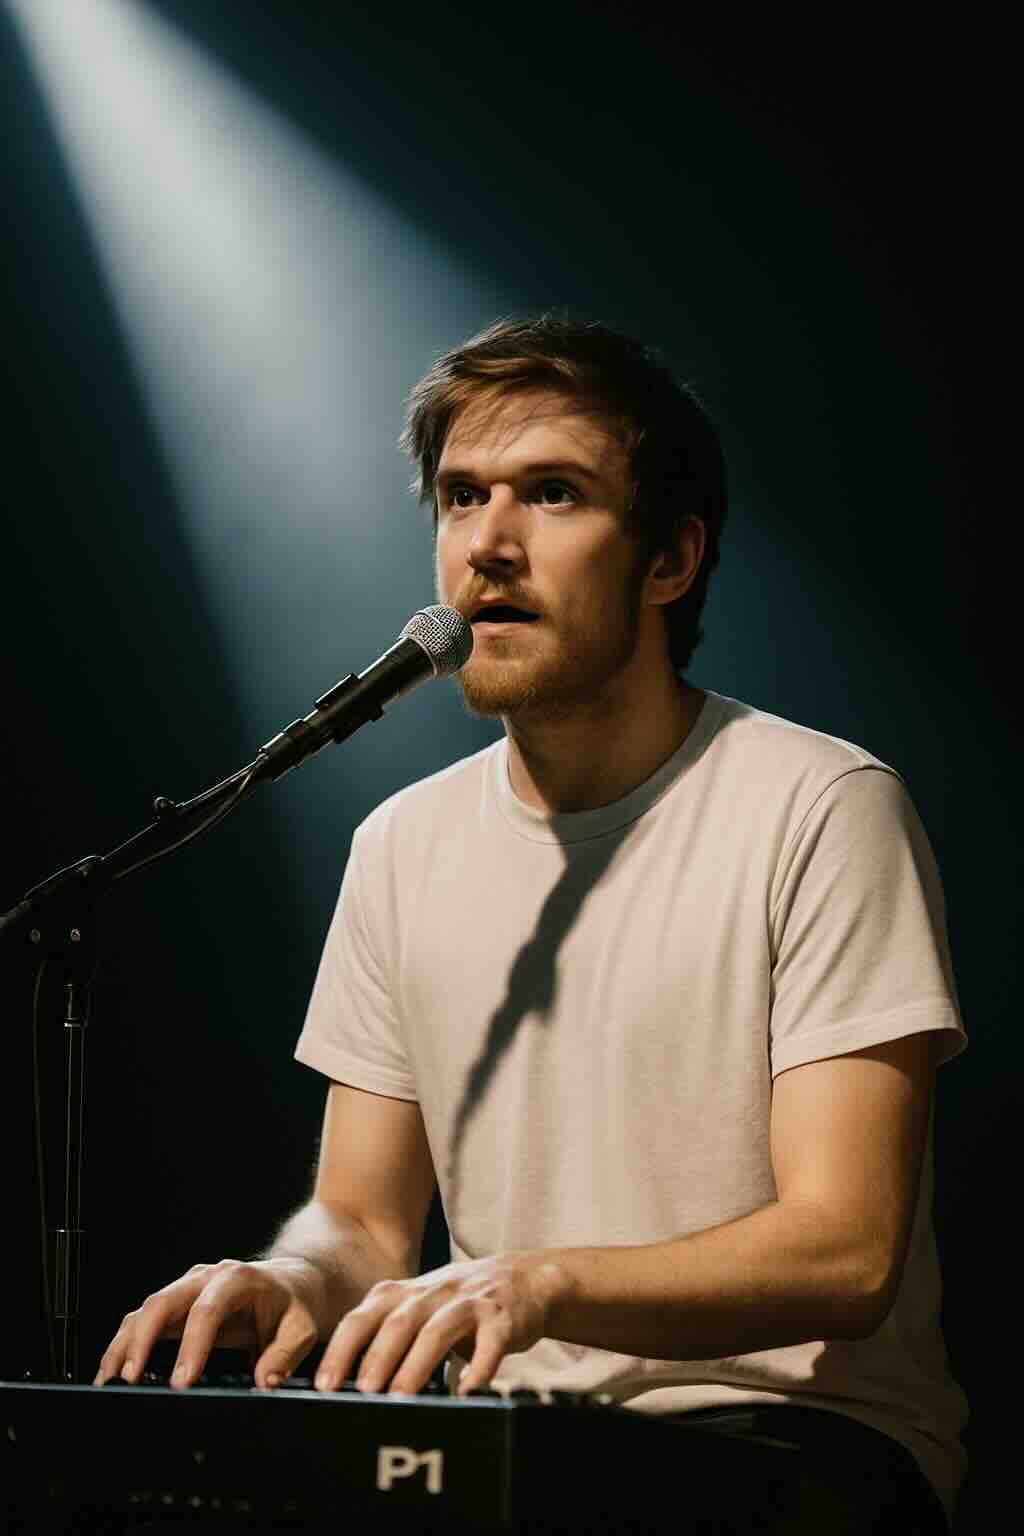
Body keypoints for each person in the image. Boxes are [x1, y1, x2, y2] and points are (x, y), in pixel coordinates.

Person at [96, 317, 966, 1532]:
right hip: (516, 1439)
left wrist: (540, 1281)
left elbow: (845, 1250)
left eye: (552, 494)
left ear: (668, 559)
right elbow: (359, 1219)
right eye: (462, 498)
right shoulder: (402, 843)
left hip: (793, 1439)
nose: (489, 547)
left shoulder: (819, 806)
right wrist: (289, 1273)